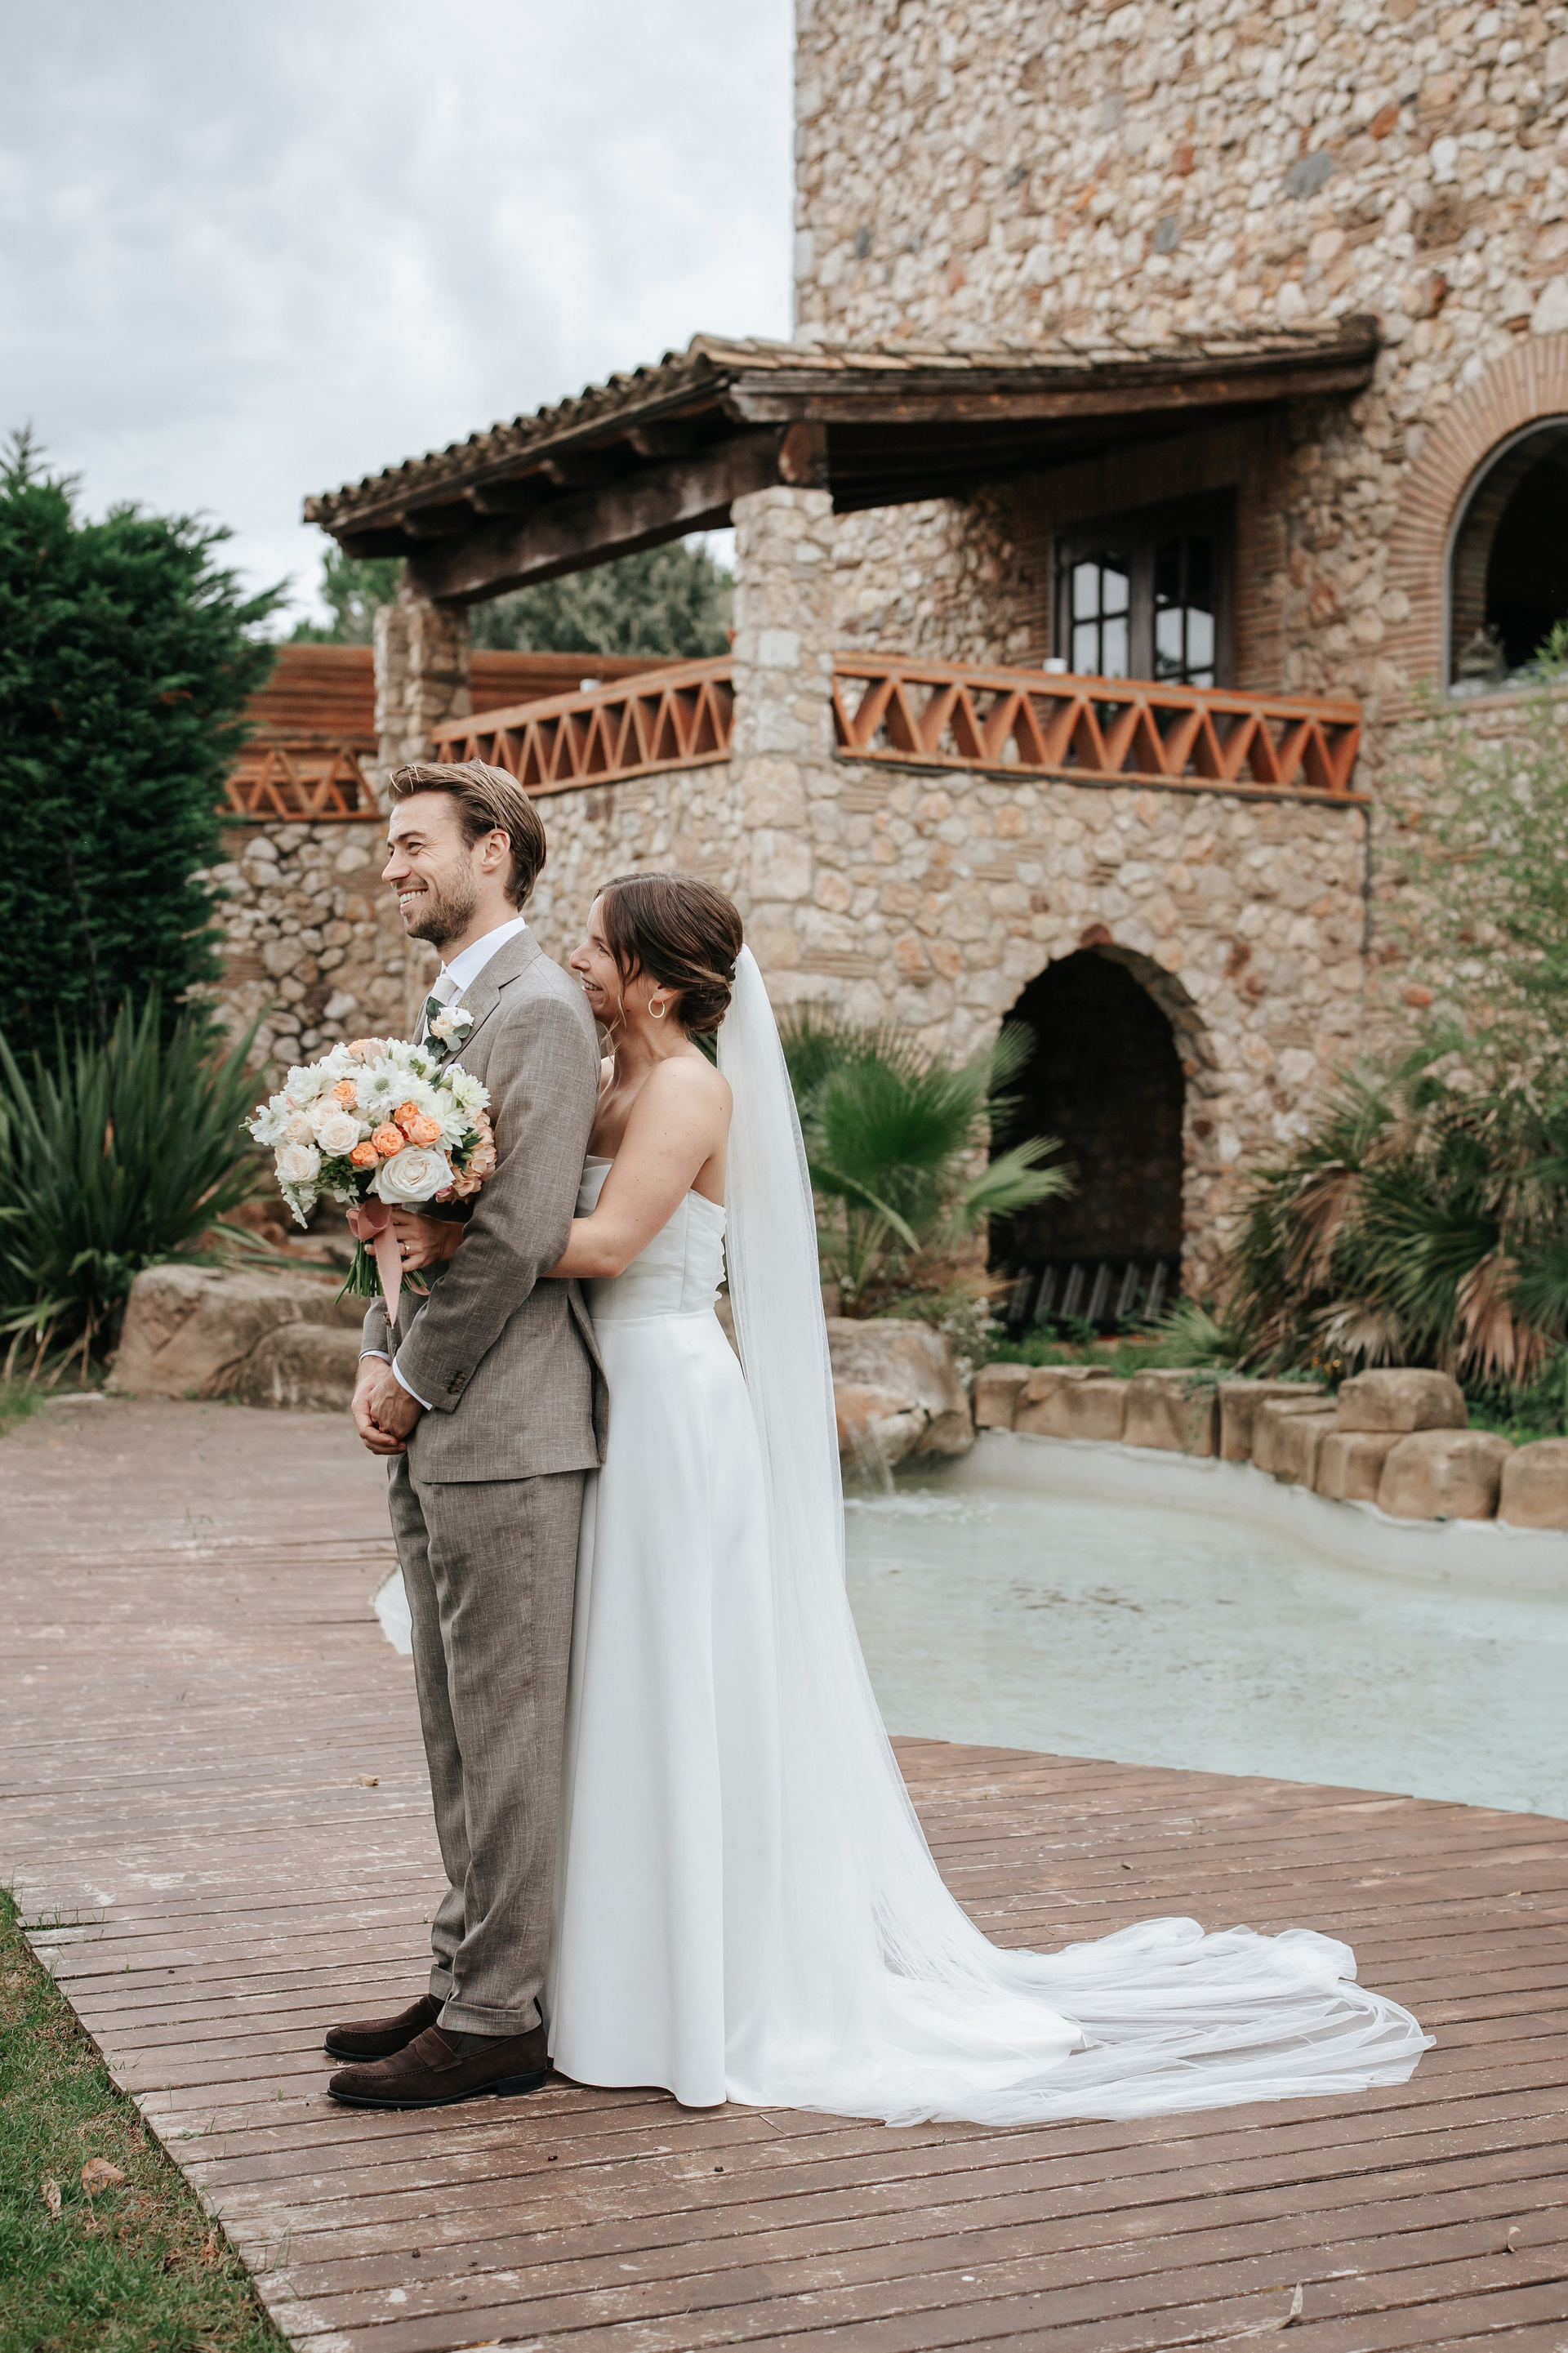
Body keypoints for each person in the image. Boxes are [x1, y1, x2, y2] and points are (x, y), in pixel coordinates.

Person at [368, 869, 1432, 2126]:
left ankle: (685, 1990)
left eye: (600, 947)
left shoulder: (692, 1088)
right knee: (618, 1685)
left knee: (676, 1680)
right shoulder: (602, 1080)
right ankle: (573, 1977)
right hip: (605, 1396)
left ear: (654, 977)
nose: (581, 962)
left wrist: (463, 1238)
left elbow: (603, 1245)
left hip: (671, 1404)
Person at [324, 760, 607, 2113]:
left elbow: (517, 1236)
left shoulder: (541, 1011)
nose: (392, 867)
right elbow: (398, 1222)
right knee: (451, 1720)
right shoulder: (447, 1011)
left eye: (412, 843)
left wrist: (416, 1380)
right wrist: (374, 1357)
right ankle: (458, 1972)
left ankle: (500, 2017)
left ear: (493, 849)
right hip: (439, 1418)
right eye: (389, 847)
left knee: (506, 1729)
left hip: (508, 1423)